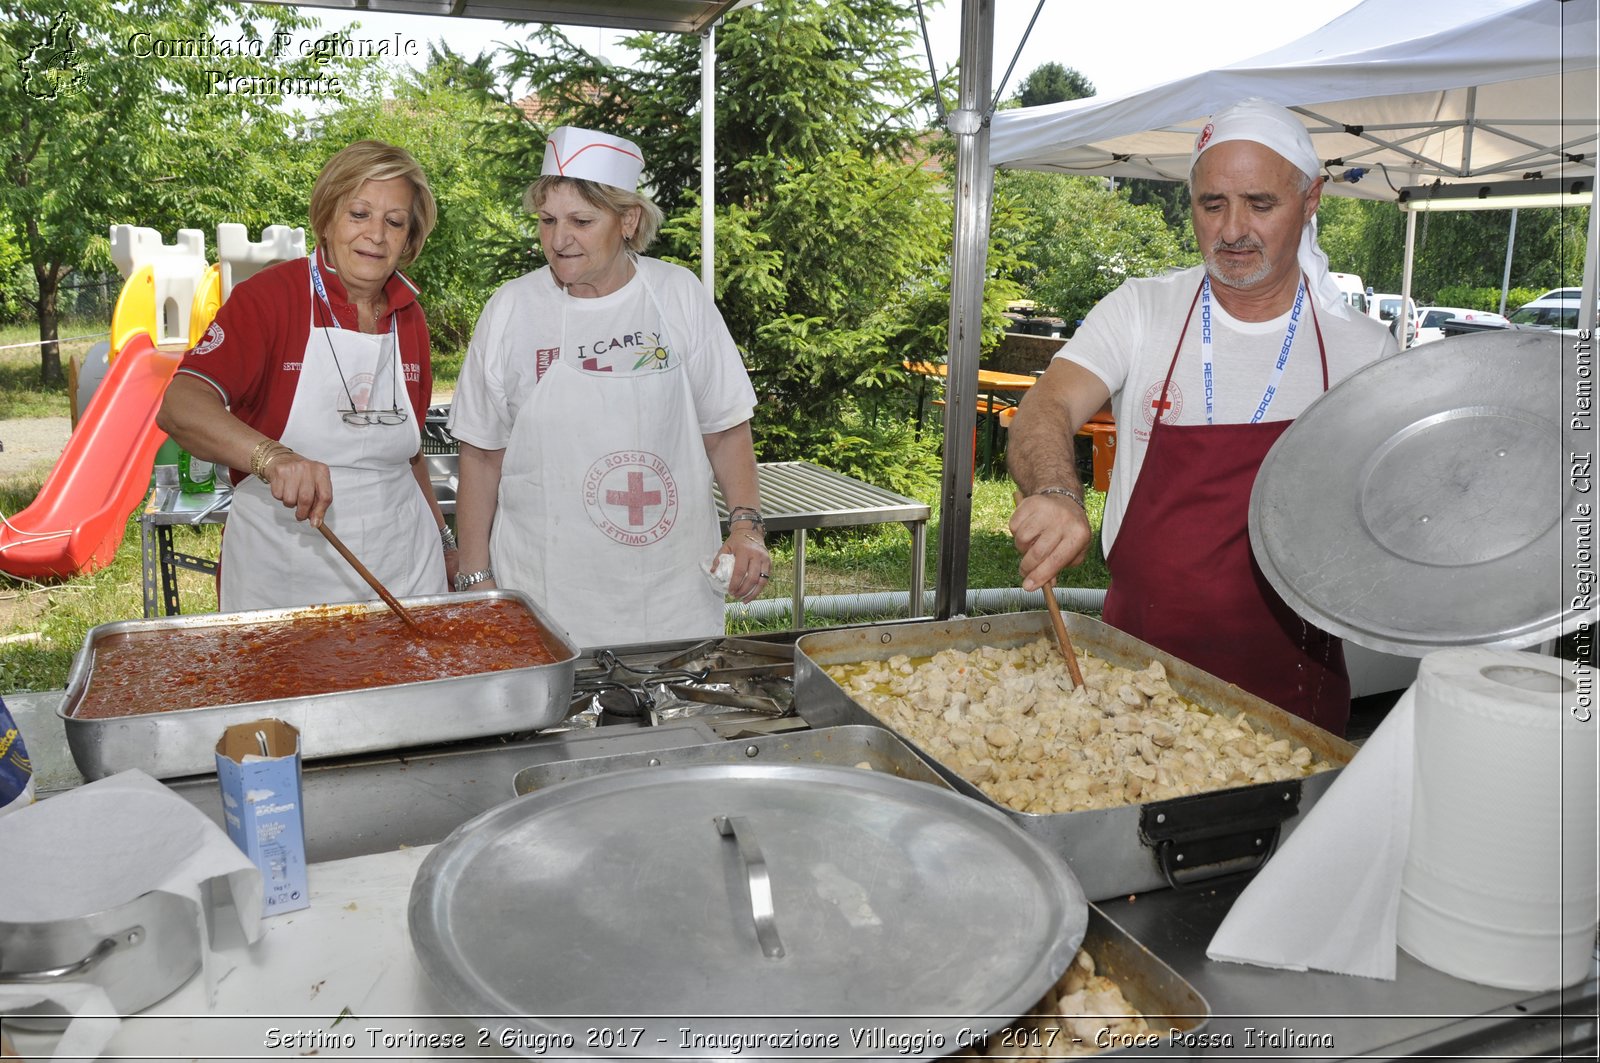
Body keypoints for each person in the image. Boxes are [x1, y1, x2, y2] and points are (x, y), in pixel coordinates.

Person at [1007, 98, 1398, 737]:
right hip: (1134, 678)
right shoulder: (1141, 311)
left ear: (1311, 199)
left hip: (1291, 693)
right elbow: (1043, 408)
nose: (1233, 229)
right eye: (1211, 204)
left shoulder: (1365, 353)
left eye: (1260, 204)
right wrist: (1054, 492)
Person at [448, 126, 768, 649]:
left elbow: (726, 430)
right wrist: (478, 583)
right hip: (545, 592)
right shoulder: (512, 309)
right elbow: (482, 455)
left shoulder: (678, 296)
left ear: (628, 220)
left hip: (670, 592)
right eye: (547, 221)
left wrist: (747, 527)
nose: (558, 239)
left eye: (581, 221)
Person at [157, 140, 454, 612]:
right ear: (328, 216)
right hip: (286, 568)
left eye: (394, 222)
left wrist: (445, 543)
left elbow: (410, 452)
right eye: (359, 214)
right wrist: (272, 456)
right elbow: (180, 405)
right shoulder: (270, 298)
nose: (376, 235)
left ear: (409, 237)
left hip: (405, 565)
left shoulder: (409, 315)